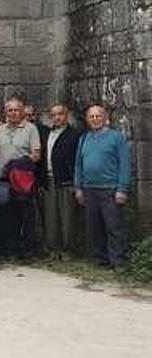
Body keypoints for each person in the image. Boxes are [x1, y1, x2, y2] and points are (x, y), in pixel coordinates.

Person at [74, 105, 131, 271]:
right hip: (89, 189)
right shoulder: (84, 139)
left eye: (98, 116)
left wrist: (122, 188)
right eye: (91, 116)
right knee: (95, 226)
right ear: (87, 120)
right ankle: (101, 259)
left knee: (114, 227)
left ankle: (118, 261)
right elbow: (78, 165)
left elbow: (124, 164)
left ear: (105, 118)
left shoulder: (116, 137)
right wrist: (78, 187)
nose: (95, 119)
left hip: (110, 189)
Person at [0, 97, 42, 260]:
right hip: (5, 178)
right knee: (9, 215)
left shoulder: (30, 129)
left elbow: (37, 155)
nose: (13, 113)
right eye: (10, 110)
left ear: (22, 111)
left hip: (23, 178)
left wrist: (20, 163)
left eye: (16, 110)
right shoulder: (2, 129)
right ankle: (11, 249)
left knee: (27, 216)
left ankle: (28, 251)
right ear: (5, 112)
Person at [41, 103, 81, 261]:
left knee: (67, 216)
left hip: (66, 180)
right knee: (51, 215)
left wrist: (75, 181)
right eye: (54, 115)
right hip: (49, 178)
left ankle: (67, 249)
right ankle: (52, 248)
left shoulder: (75, 135)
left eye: (61, 114)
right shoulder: (47, 134)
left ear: (66, 115)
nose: (57, 117)